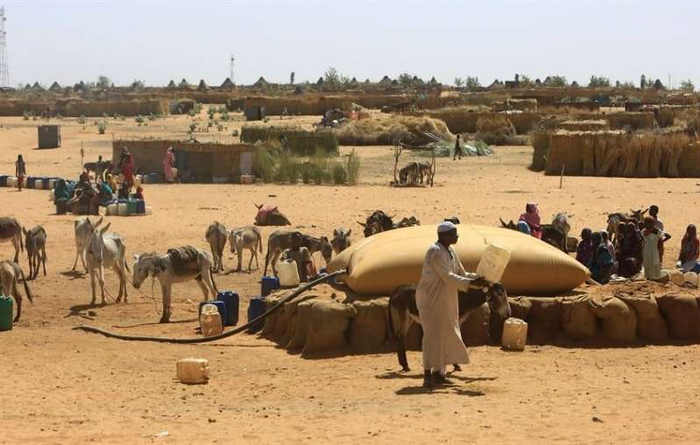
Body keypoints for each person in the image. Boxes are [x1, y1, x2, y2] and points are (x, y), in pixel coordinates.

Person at [415, 221, 485, 388]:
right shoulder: (435, 252)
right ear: (444, 236)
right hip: (432, 299)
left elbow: (461, 273)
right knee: (432, 336)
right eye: (454, 233)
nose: (457, 236)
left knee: (446, 334)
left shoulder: (451, 251)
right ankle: (427, 374)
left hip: (446, 299)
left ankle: (439, 374)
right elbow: (447, 276)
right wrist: (471, 284)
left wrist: (478, 278)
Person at [642, 216, 668, 280]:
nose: (647, 225)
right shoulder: (644, 231)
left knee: (655, 263)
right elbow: (645, 235)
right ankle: (649, 277)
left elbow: (666, 236)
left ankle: (655, 277)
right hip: (647, 250)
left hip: (654, 250)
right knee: (648, 263)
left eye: (649, 223)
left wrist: (660, 242)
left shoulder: (657, 232)